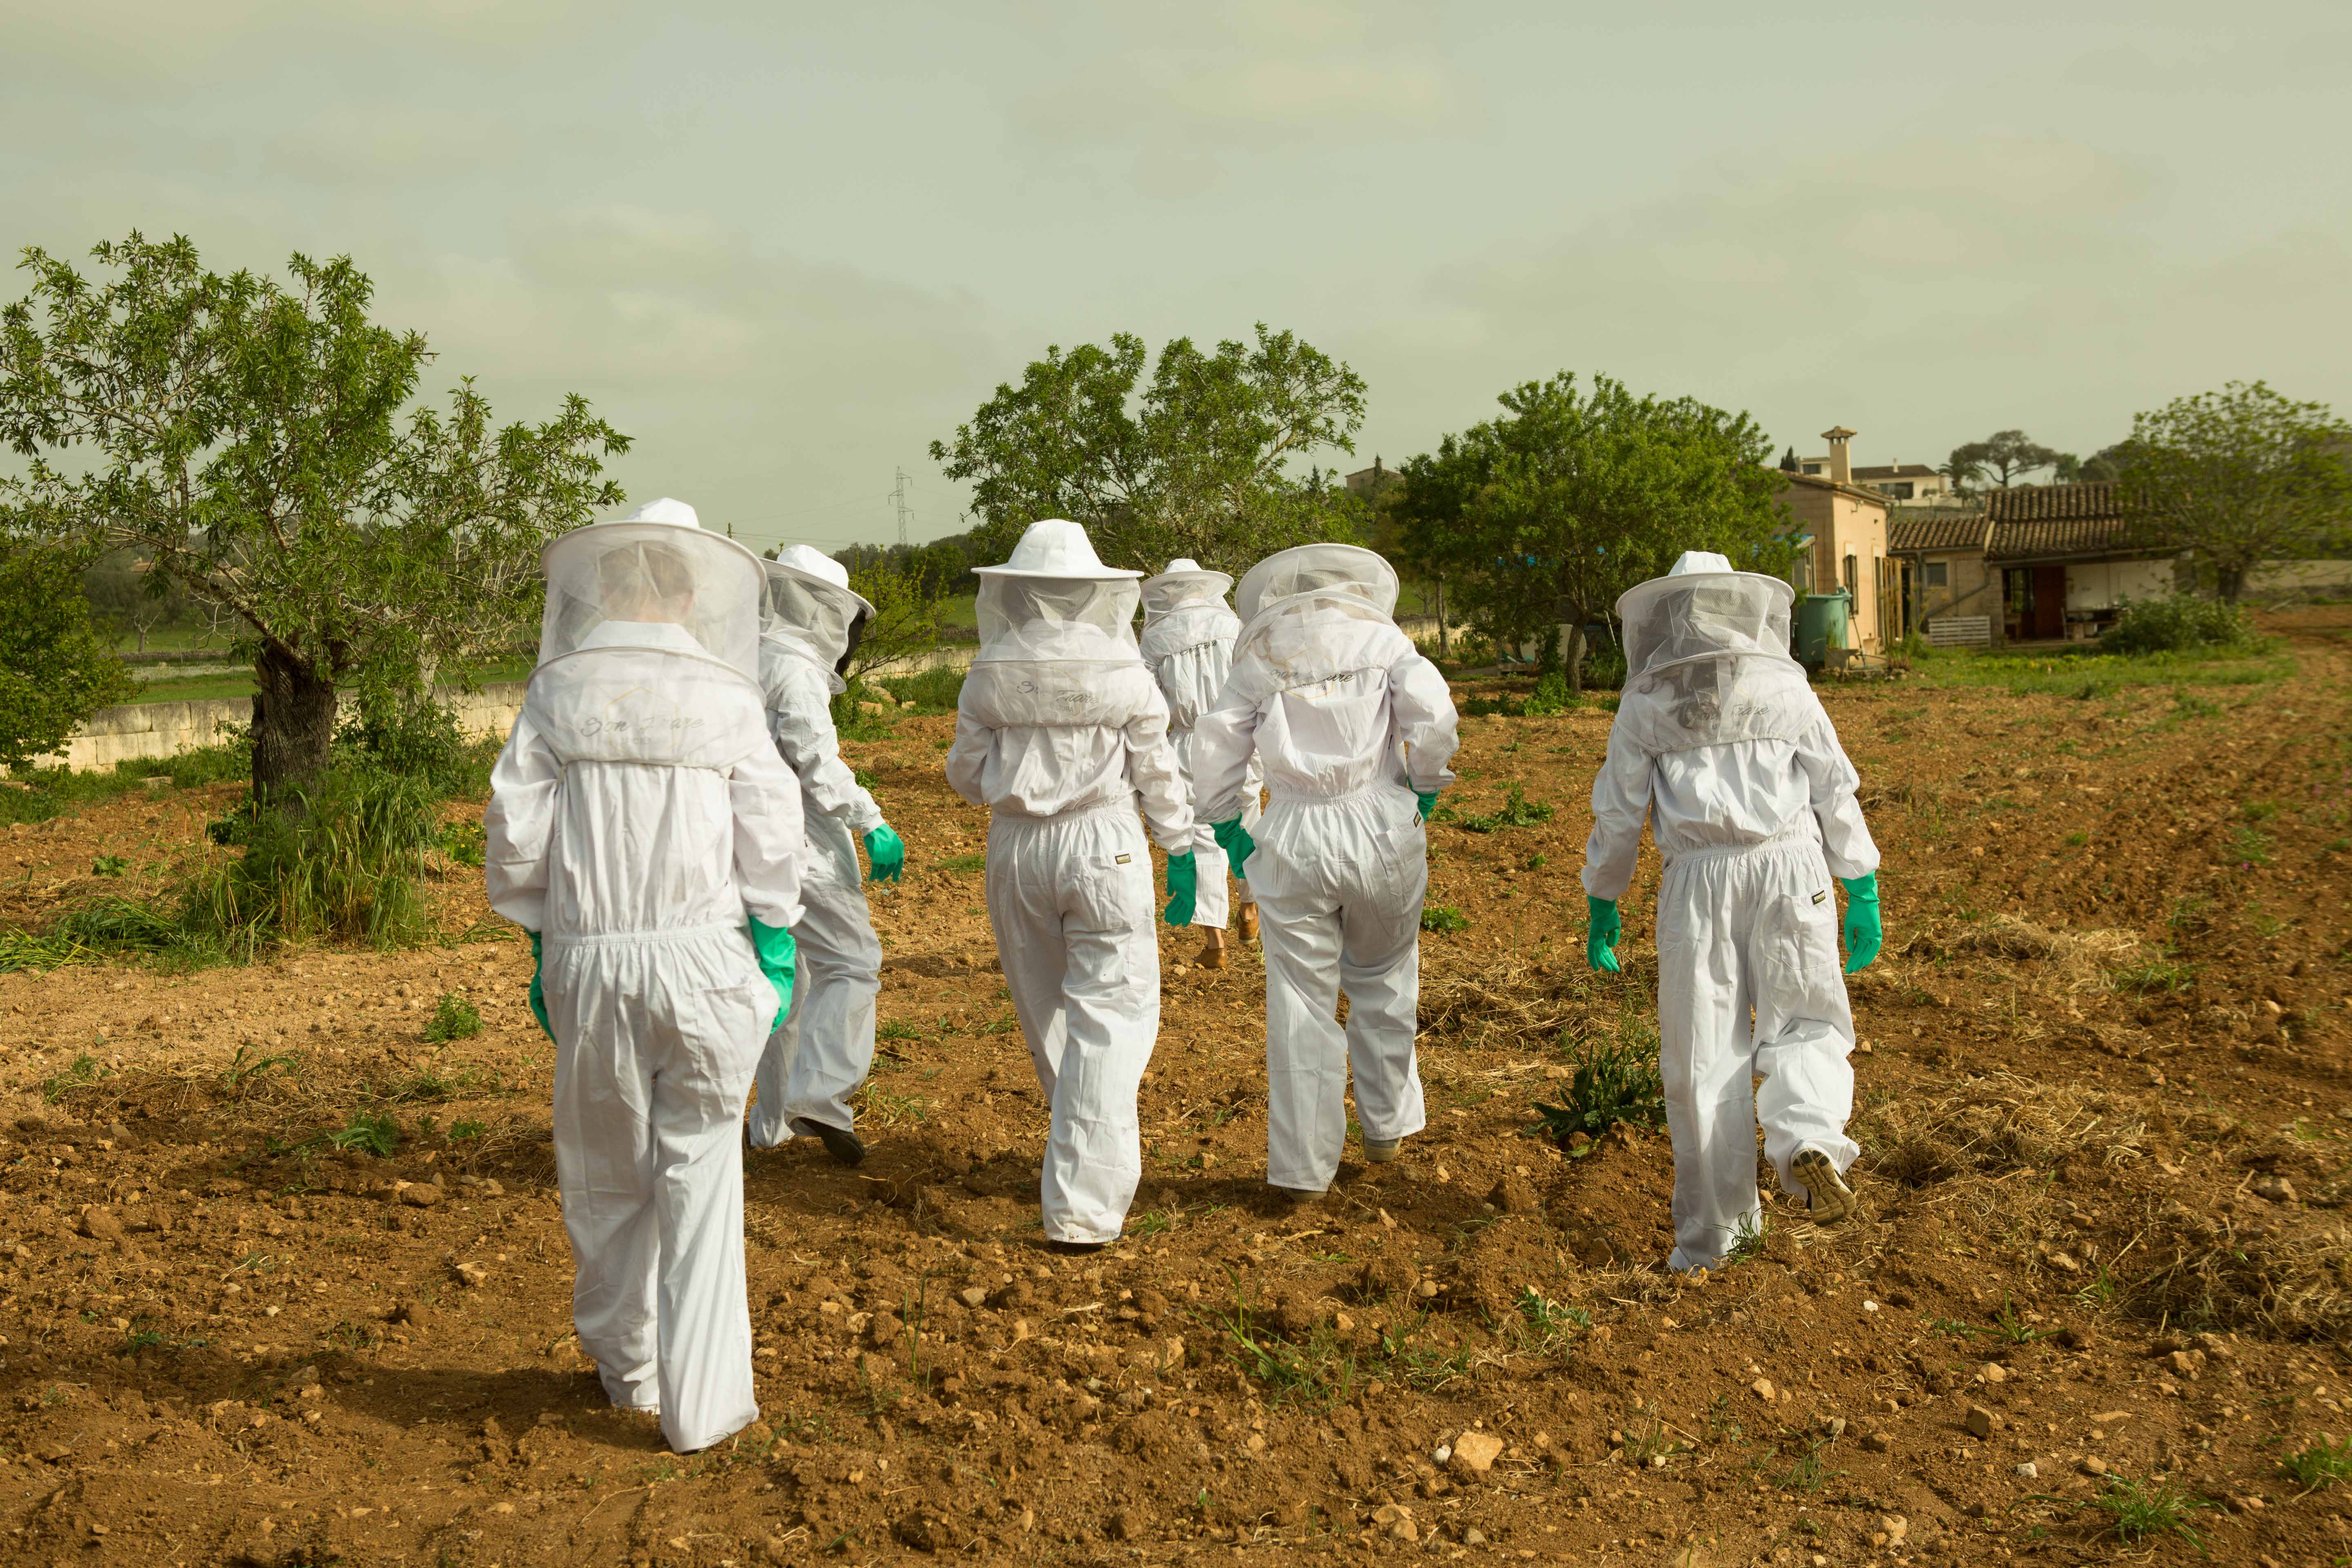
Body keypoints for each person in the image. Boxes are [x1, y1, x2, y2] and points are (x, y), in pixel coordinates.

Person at [483, 497, 803, 1454]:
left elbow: (515, 830)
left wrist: (540, 937)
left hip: (592, 955)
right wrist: (777, 937)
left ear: (607, 585)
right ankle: (701, 1405)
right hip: (707, 956)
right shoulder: (726, 696)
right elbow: (771, 831)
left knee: (606, 1171)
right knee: (702, 1166)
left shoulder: (558, 692)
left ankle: (628, 1372)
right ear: (694, 594)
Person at [1580, 549, 1883, 1274]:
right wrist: (1862, 885)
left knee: (1702, 1057)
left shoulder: (1648, 701)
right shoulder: (1787, 690)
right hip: (1792, 870)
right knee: (1805, 1020)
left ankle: (1716, 1244)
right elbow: (1834, 789)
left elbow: (1620, 814)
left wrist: (1603, 901)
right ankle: (1807, 1135)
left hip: (1697, 884)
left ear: (1673, 619)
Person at [944, 519, 1193, 1250]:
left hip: (1017, 848)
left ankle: (1077, 1163)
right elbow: (1156, 771)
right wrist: (1181, 847)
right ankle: (1086, 1206)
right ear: (1092, 590)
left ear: (1016, 593)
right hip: (1106, 843)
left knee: (1046, 1008)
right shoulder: (1124, 669)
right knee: (1112, 1011)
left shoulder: (990, 670)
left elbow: (963, 775)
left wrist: (1016, 776)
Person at [1189, 544, 1459, 1198]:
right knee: (1384, 976)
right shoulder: (1385, 639)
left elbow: (1217, 744)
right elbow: (1433, 717)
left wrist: (1226, 822)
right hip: (1383, 825)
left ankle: (1304, 1170)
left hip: (1293, 832)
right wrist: (1425, 784)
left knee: (1300, 1002)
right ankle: (1386, 1128)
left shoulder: (1259, 657)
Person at [746, 545, 904, 1167]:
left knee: (787, 981)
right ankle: (822, 1096)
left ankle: (771, 1126)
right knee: (853, 963)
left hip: (747, 843)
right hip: (803, 843)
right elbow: (815, 759)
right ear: (825, 611)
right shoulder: (795, 670)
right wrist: (872, 821)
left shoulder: (747, 660)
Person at [1140, 558, 1262, 970]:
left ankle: (1216, 944)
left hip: (1189, 743)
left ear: (1170, 592)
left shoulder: (1156, 638)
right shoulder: (1233, 627)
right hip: (1238, 734)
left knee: (1203, 836)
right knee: (1245, 823)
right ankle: (1249, 908)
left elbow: (1148, 704)